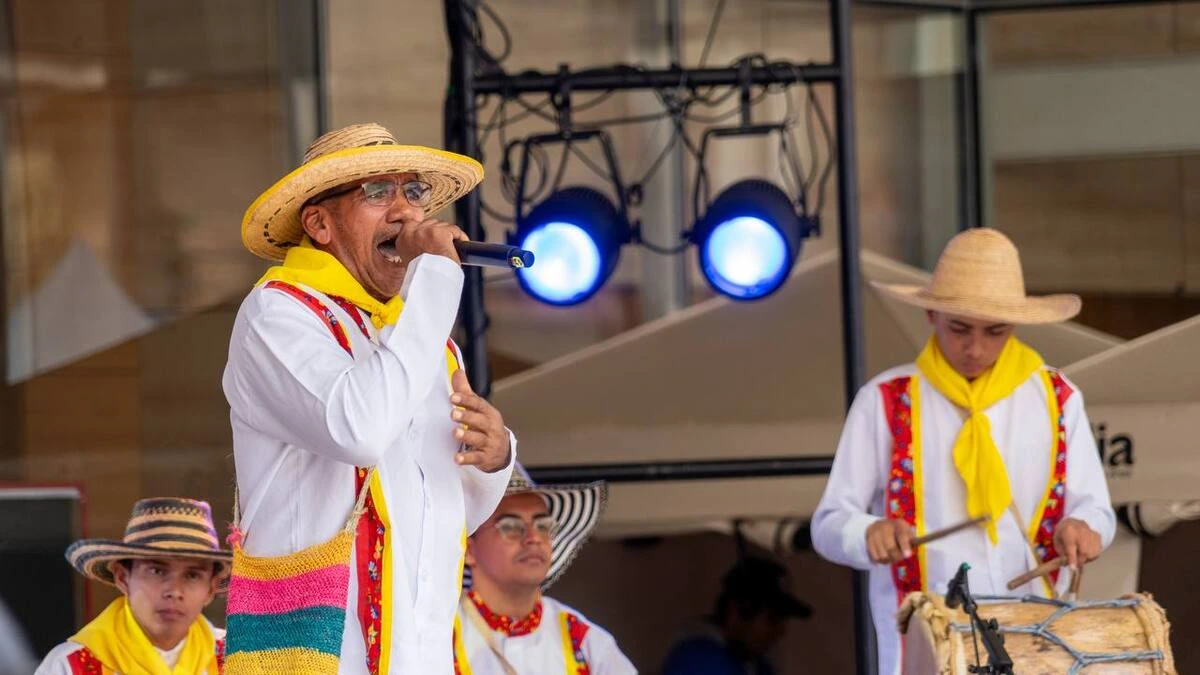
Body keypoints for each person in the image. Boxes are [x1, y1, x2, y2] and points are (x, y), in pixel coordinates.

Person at [223, 122, 515, 674]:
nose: (404, 212)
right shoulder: (277, 314)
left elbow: (450, 508)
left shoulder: (424, 340)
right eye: (377, 193)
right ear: (320, 224)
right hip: (316, 658)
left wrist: (496, 456)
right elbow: (357, 430)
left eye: (414, 192)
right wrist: (433, 281)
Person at [811, 228, 1116, 674]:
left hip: (1038, 646)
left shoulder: (1057, 397)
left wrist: (1084, 528)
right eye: (960, 329)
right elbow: (827, 524)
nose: (976, 348)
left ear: (1015, 325)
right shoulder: (885, 400)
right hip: (923, 654)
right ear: (931, 314)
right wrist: (866, 532)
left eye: (995, 332)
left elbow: (1099, 514)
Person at [453, 464, 635, 674]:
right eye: (511, 526)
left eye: (543, 526)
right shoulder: (438, 633)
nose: (534, 539)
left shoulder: (584, 640)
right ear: (469, 549)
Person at [36, 498, 230, 674]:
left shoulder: (238, 659)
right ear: (123, 578)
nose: (174, 591)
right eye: (157, 571)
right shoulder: (71, 666)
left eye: (192, 575)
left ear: (211, 589)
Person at [661, 557, 811, 675]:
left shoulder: (753, 662)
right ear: (738, 611)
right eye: (773, 619)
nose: (781, 631)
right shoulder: (699, 661)